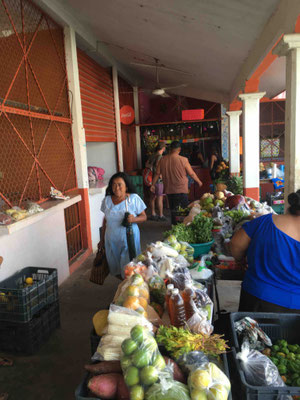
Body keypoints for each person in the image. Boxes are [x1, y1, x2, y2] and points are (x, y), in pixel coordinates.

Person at [229, 189, 300, 313]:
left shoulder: (264, 222)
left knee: (250, 333)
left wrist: (241, 260)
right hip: (295, 312)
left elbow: (235, 246)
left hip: (257, 300)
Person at [100, 172, 147, 278]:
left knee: (129, 267)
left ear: (126, 186)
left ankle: (129, 286)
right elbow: (105, 220)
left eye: (120, 184)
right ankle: (123, 285)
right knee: (115, 265)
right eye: (114, 184)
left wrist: (134, 219)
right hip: (111, 240)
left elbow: (144, 217)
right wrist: (102, 240)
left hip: (129, 240)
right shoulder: (107, 200)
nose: (117, 188)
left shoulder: (133, 199)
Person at [150, 141, 203, 225]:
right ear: (179, 149)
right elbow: (191, 173)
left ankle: (174, 227)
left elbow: (157, 173)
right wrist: (199, 182)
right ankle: (182, 227)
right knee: (183, 211)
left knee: (173, 210)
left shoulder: (163, 159)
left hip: (169, 190)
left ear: (170, 149)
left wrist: (152, 184)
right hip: (181, 189)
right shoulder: (183, 160)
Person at [146, 142, 166, 221]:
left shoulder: (152, 156)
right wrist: (160, 174)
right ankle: (161, 215)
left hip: (151, 180)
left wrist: (152, 168)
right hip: (158, 180)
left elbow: (146, 164)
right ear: (163, 148)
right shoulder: (160, 157)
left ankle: (153, 213)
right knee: (159, 198)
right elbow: (159, 167)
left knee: (152, 197)